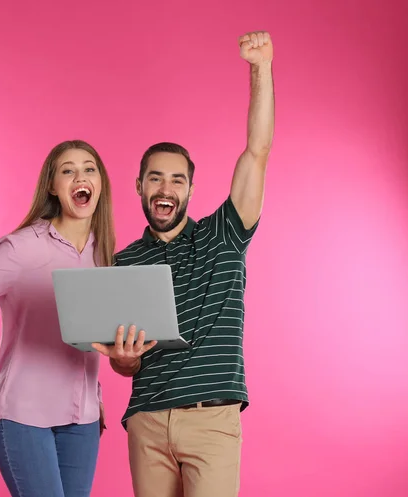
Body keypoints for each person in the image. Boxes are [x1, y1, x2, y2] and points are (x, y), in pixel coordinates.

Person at [92, 31, 275, 497]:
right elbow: (125, 363)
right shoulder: (123, 262)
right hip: (147, 421)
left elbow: (257, 151)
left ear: (190, 190)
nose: (166, 189)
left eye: (177, 180)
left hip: (210, 421)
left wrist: (261, 69)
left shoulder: (224, 233)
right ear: (139, 186)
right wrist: (125, 360)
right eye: (156, 178)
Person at [0, 140, 115, 497]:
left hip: (82, 420)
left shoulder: (105, 254)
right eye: (68, 170)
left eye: (89, 168)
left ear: (100, 184)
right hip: (24, 416)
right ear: (53, 186)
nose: (80, 176)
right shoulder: (23, 247)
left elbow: (94, 336)